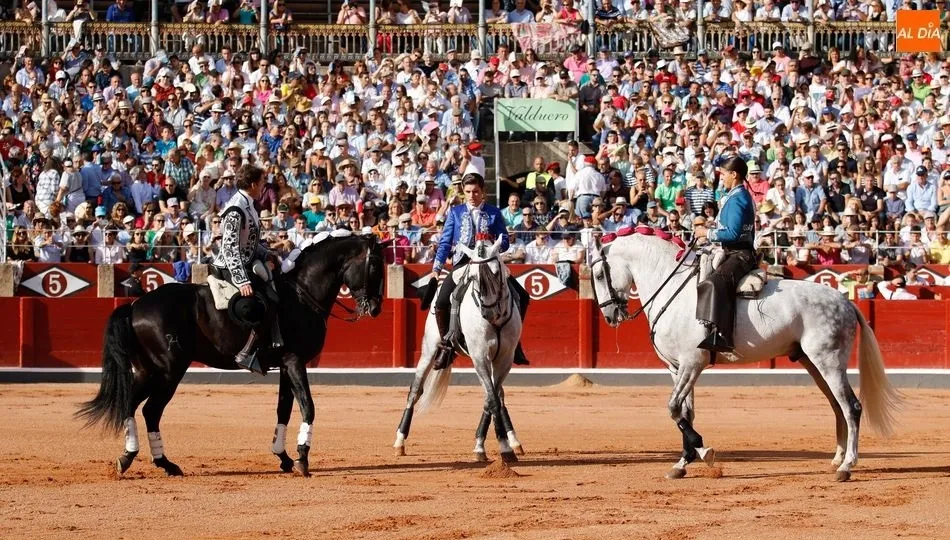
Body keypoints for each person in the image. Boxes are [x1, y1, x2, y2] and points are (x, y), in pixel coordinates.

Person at [427, 172, 531, 370]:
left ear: (483, 192)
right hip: (463, 264)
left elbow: (506, 241)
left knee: (523, 296)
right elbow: (445, 242)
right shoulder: (456, 213)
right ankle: (446, 346)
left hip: (489, 264)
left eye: (476, 191)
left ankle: (515, 342)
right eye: (468, 192)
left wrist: (493, 244)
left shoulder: (493, 212)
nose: (472, 195)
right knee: (441, 302)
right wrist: (436, 268)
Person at [210, 165, 283, 375]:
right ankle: (247, 353)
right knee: (269, 300)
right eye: (261, 182)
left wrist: (266, 253)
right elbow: (230, 248)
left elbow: (248, 243)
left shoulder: (247, 204)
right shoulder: (235, 209)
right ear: (252, 185)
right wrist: (242, 280)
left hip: (244, 261)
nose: (263, 186)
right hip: (230, 267)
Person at [691, 157, 757, 353]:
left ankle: (723, 335)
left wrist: (706, 233)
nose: (722, 178)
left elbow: (733, 234)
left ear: (734, 175)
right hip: (733, 251)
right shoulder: (737, 195)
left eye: (724, 174)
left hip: (740, 254)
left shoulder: (737, 198)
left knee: (715, 282)